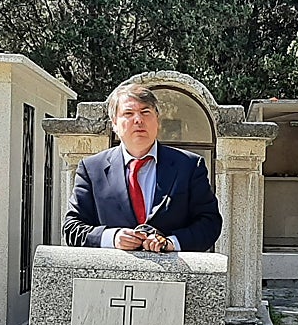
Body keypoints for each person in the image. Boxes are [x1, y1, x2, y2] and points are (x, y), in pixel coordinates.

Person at [62, 82, 222, 253]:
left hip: (172, 275)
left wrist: (170, 243)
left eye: (145, 112)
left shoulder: (189, 166)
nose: (138, 120)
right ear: (114, 124)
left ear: (157, 120)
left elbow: (209, 223)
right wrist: (112, 237)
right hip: (112, 276)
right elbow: (72, 228)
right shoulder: (92, 169)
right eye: (128, 113)